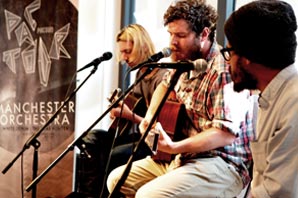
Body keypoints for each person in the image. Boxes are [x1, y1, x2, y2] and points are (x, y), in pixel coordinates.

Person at [107, 0, 255, 197]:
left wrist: (175, 147)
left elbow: (224, 134)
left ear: (203, 34)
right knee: (116, 180)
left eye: (181, 35)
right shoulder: (184, 62)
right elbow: (164, 85)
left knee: (149, 195)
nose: (172, 43)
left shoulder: (222, 71)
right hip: (183, 157)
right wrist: (150, 117)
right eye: (171, 34)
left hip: (222, 163)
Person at [79, 24, 168, 197]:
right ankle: (91, 195)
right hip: (138, 135)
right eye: (122, 52)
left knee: (115, 154)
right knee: (91, 139)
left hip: (152, 142)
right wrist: (118, 108)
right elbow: (134, 104)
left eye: (127, 51)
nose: (123, 57)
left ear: (142, 46)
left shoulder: (162, 77)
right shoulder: (139, 74)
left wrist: (129, 115)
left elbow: (160, 125)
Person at [223, 1, 298, 197]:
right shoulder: (269, 97)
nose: (228, 62)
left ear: (247, 56)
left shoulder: (293, 103)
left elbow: (279, 192)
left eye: (229, 52)